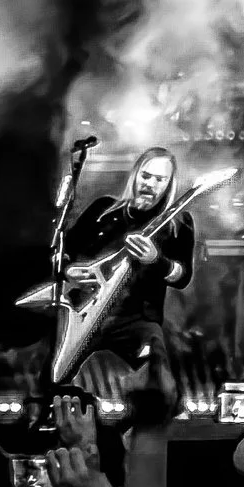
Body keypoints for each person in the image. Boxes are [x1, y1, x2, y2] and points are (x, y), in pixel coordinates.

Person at [59, 145, 195, 374]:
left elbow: (182, 277)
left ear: (169, 184)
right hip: (83, 312)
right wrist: (69, 271)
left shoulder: (178, 224)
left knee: (158, 378)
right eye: (145, 176)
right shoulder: (103, 210)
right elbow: (65, 250)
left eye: (159, 179)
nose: (150, 184)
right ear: (135, 175)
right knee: (54, 377)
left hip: (136, 321)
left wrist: (156, 260)